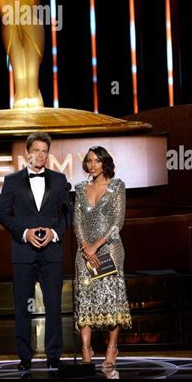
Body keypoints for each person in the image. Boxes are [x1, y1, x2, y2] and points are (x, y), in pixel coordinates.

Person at [0, 131, 71, 371]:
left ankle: (53, 355)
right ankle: (25, 358)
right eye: (36, 150)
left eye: (44, 151)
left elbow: (67, 214)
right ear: (27, 153)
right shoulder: (12, 181)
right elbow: (3, 214)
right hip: (23, 252)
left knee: (53, 305)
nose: (40, 155)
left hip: (52, 253)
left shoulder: (60, 180)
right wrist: (25, 233)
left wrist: (54, 233)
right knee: (22, 307)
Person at [73, 146, 132, 368]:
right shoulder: (79, 189)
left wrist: (96, 246)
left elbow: (118, 223)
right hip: (84, 252)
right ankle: (86, 349)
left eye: (97, 161)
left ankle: (111, 348)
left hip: (110, 249)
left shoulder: (117, 187)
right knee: (85, 298)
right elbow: (77, 222)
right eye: (89, 161)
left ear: (105, 163)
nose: (92, 165)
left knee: (111, 298)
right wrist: (86, 247)